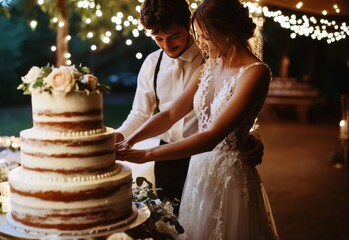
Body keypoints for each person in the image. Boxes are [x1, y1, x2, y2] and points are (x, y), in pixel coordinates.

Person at [116, 0, 279, 238]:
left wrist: (146, 155)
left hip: (226, 171)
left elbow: (215, 134)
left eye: (203, 36)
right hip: (193, 167)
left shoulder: (251, 71)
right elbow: (169, 114)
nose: (200, 43)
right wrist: (129, 141)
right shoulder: (206, 65)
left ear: (224, 31)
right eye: (158, 39)